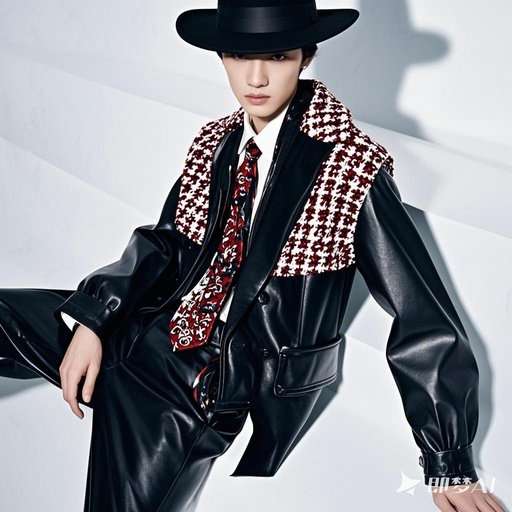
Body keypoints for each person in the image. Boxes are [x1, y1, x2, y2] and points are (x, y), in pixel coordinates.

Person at [0, 1, 505, 511]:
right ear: (222, 56)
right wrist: (93, 319)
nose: (256, 78)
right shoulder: (216, 142)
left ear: (306, 57)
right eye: (240, 55)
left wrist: (449, 463)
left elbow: (422, 316)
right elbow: (165, 241)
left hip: (206, 382)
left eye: (278, 56)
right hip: (141, 326)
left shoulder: (348, 167)